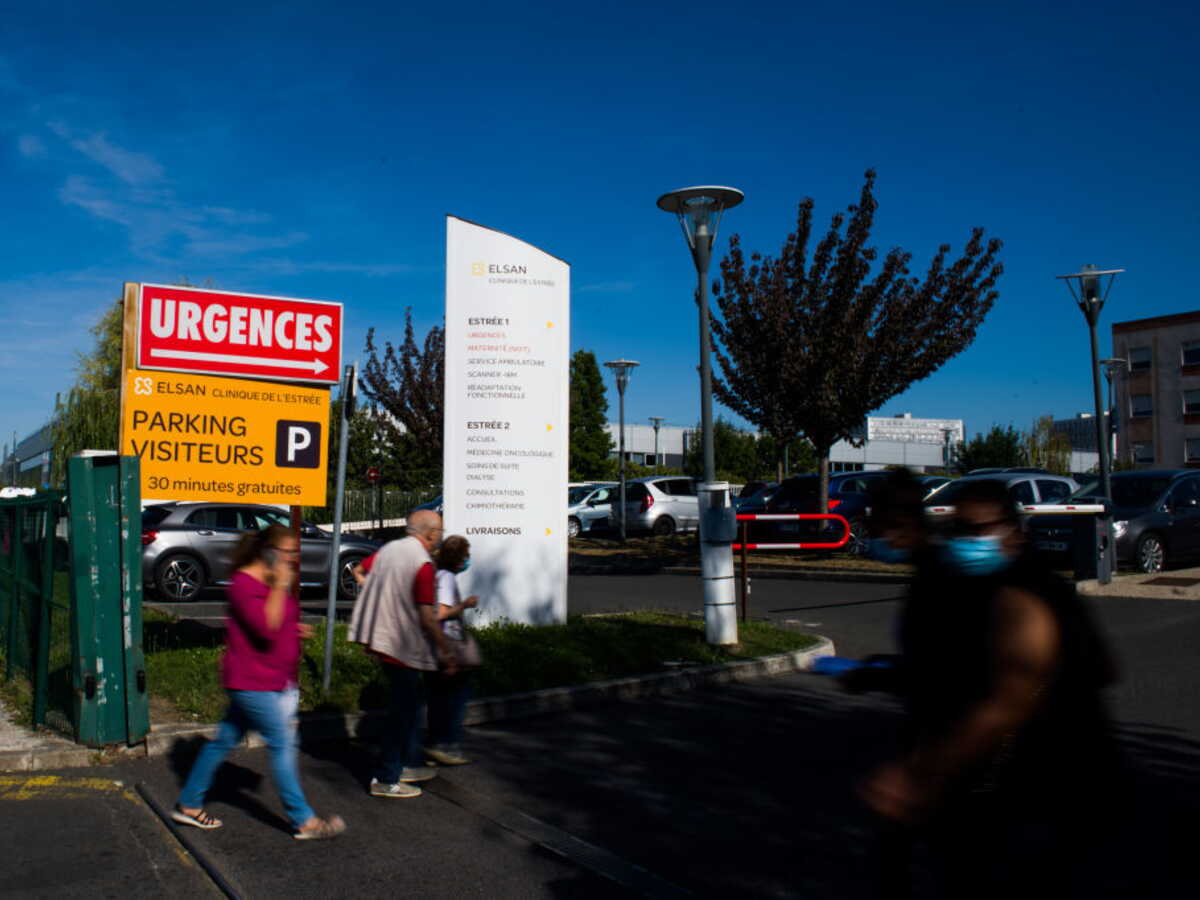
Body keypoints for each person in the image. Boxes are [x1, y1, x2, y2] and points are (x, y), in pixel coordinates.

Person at [861, 477, 1121, 898]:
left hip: (1049, 781)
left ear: (1014, 534)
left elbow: (1005, 701)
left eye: (978, 530)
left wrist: (919, 776)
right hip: (1011, 779)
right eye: (960, 529)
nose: (966, 541)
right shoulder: (985, 584)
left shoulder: (1025, 594)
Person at [173, 525, 345, 840]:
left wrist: (294, 630)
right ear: (268, 552)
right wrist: (281, 587)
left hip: (269, 678)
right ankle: (303, 820)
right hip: (253, 681)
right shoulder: (243, 584)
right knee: (282, 744)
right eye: (289, 551)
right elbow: (265, 628)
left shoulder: (266, 583)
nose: (295, 558)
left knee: (224, 741)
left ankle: (188, 804)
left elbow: (278, 622)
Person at [348, 509, 457, 799]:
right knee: (402, 714)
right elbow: (426, 615)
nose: (441, 537)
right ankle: (387, 778)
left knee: (409, 705)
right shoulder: (422, 564)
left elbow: (360, 571)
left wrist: (377, 598)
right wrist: (445, 651)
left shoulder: (390, 549)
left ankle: (406, 763)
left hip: (382, 639)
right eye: (440, 532)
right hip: (403, 646)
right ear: (430, 533)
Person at [425, 535, 479, 766]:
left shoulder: (436, 575)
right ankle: (446, 744)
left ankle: (434, 745)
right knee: (455, 698)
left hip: (433, 645)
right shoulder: (446, 578)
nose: (467, 560)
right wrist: (464, 605)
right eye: (465, 555)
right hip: (447, 644)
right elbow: (440, 613)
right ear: (458, 558)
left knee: (438, 698)